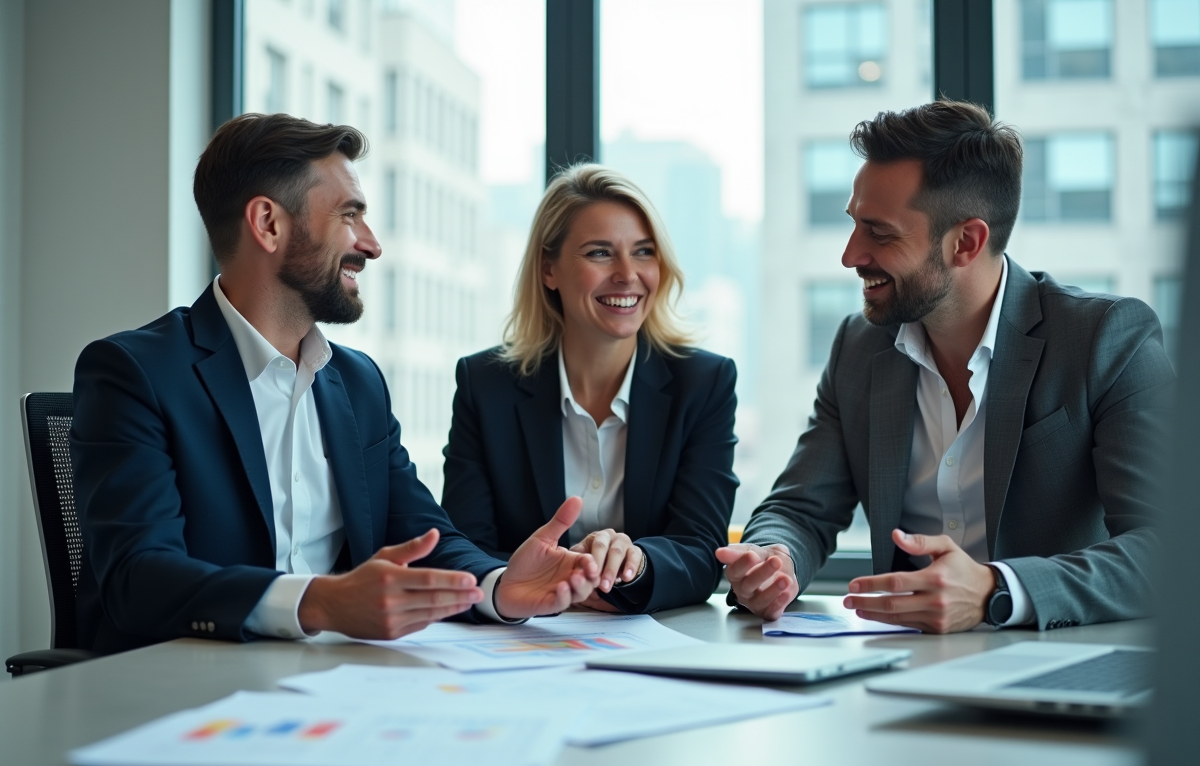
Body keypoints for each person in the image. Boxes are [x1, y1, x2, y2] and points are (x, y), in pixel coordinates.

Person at [70, 114, 600, 655]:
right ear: (268, 224)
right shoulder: (135, 373)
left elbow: (421, 534)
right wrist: (318, 602)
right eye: (350, 215)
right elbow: (139, 577)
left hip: (330, 687)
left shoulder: (358, 382)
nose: (371, 245)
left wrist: (498, 586)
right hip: (179, 691)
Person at [717, 100, 1172, 633]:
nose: (849, 255)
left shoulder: (1107, 339)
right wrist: (775, 558)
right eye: (853, 226)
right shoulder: (859, 348)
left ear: (966, 242)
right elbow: (799, 508)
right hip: (895, 668)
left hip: (1055, 663)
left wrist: (995, 589)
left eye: (879, 233)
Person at [441, 164, 738, 614]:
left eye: (643, 252)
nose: (627, 274)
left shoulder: (704, 383)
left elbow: (700, 550)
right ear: (549, 270)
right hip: (526, 639)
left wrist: (634, 568)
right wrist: (555, 579)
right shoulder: (485, 386)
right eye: (600, 253)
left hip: (651, 644)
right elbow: (464, 547)